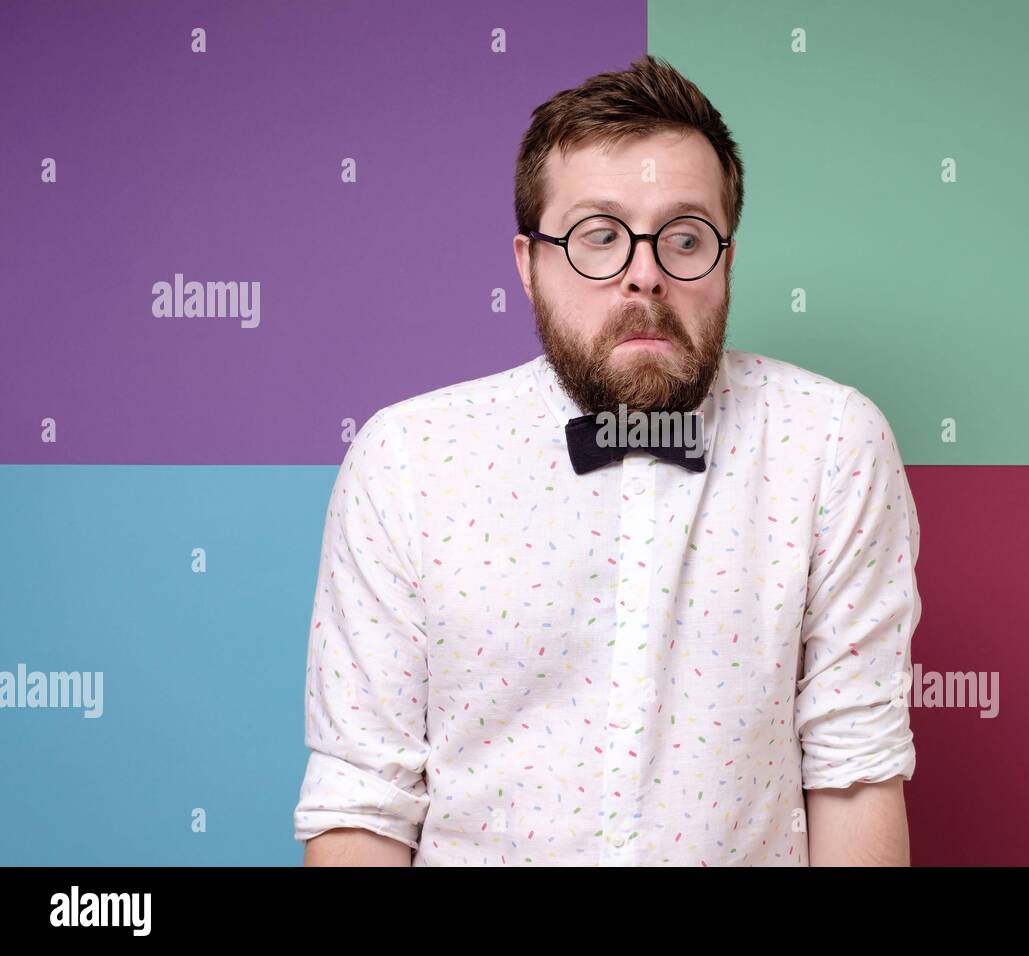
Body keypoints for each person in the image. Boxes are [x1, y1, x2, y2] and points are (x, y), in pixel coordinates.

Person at [293, 54, 922, 867]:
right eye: (599, 237)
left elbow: (856, 774)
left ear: (726, 261)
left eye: (685, 237)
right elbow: (362, 802)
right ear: (529, 265)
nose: (645, 276)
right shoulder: (408, 460)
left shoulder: (832, 442)